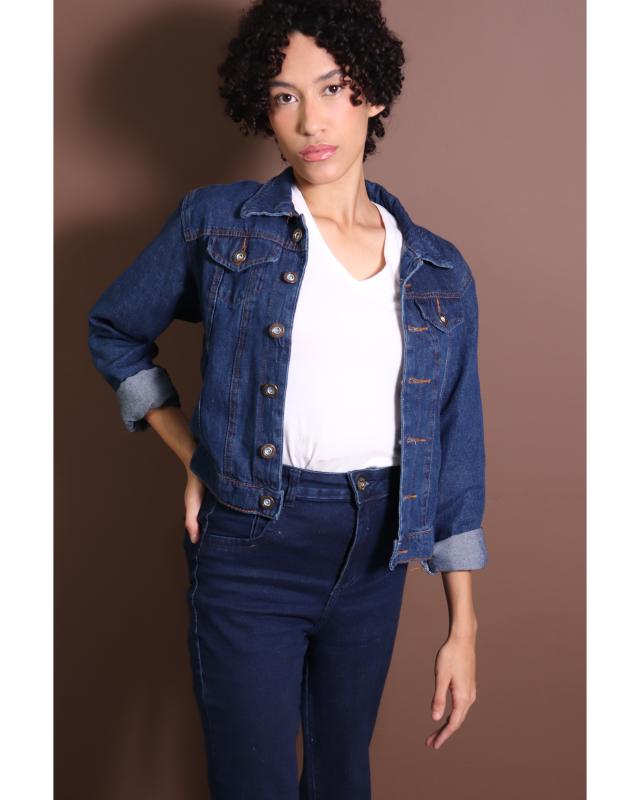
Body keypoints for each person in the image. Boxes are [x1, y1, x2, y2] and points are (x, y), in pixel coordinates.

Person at [87, 1, 489, 797]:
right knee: (254, 784)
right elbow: (115, 330)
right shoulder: (219, 224)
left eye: (333, 88)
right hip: (251, 543)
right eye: (284, 96)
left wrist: (463, 630)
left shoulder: (439, 273)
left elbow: (455, 449)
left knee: (342, 779)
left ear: (373, 93)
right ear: (261, 110)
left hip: (377, 551)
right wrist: (195, 452)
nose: (311, 121)